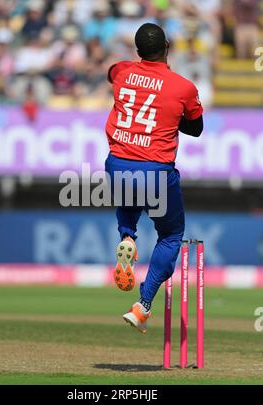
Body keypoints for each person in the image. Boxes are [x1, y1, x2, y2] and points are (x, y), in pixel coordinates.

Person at [105, 23, 203, 333]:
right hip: (156, 171)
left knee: (129, 190)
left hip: (117, 163)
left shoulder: (121, 72)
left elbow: (112, 71)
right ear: (167, 47)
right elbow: (196, 128)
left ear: (137, 51)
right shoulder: (182, 86)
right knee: (172, 235)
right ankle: (142, 305)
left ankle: (127, 236)